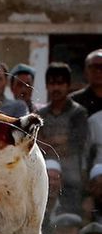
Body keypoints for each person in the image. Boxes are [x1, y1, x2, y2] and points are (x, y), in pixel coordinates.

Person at [38, 62, 88, 212]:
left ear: (68, 85)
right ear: (47, 86)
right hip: (46, 180)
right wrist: (61, 139)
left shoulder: (78, 113)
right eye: (52, 83)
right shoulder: (41, 114)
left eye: (60, 83)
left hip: (71, 179)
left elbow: (76, 144)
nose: (56, 88)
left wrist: (50, 143)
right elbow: (39, 145)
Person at [70, 49, 102, 117]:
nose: (98, 71)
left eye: (101, 67)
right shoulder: (73, 102)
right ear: (85, 72)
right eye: (94, 67)